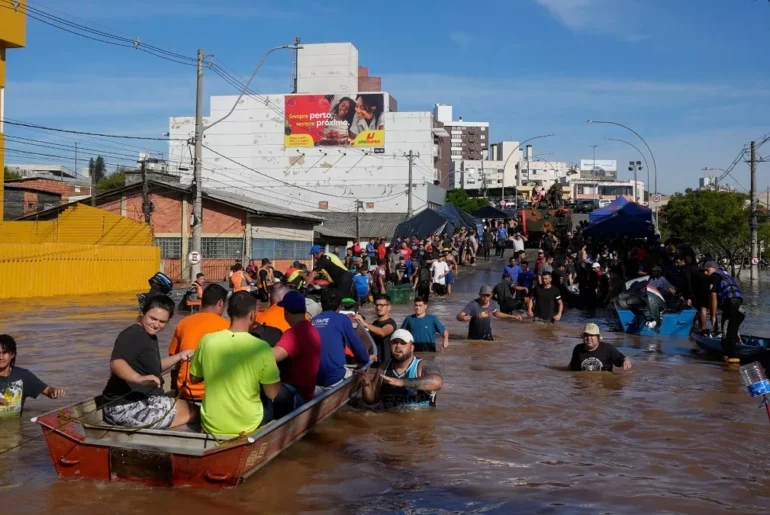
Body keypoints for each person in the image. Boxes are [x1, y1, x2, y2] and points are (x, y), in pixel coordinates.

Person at [189, 291, 280, 436]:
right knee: (271, 401)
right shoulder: (261, 347)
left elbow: (194, 379)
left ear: (228, 311)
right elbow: (272, 393)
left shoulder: (207, 341)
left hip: (211, 424)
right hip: (249, 425)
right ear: (252, 315)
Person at [102, 296, 198, 429]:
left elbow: (154, 368)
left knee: (194, 409)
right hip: (123, 408)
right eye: (153, 318)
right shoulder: (132, 334)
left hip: (143, 400)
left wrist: (179, 356)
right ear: (142, 312)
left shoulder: (150, 336)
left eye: (162, 321)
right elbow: (117, 362)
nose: (156, 324)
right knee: (196, 413)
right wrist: (139, 379)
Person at [168, 284, 230, 401]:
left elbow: (173, 355)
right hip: (213, 394)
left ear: (202, 301)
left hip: (185, 391)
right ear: (221, 303)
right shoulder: (227, 326)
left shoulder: (183, 322)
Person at [359, 329, 443, 408]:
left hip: (418, 421)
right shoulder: (383, 368)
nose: (398, 346)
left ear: (412, 348)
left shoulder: (422, 365)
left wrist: (401, 382)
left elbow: (437, 383)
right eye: (394, 342)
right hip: (391, 420)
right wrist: (367, 385)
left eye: (403, 343)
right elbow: (372, 400)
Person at [271, 291, 322, 419]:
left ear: (285, 313)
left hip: (296, 397)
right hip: (306, 393)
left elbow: (270, 357)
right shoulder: (311, 329)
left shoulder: (293, 334)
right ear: (305, 310)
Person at [312, 289, 371, 391]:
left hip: (313, 379)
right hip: (335, 378)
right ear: (339, 306)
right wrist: (367, 359)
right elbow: (356, 346)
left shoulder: (312, 320)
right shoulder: (342, 319)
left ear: (322, 305)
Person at [0, 334, 65, 418]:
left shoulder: (23, 376)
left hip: (15, 429)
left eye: (5, 352)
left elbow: (47, 390)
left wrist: (55, 391)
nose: (1, 357)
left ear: (12, 354)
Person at [705, 261, 744, 363]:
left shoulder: (714, 276)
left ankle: (732, 362)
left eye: (707, 270)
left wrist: (713, 316)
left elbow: (713, 296)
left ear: (714, 269)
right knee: (731, 329)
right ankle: (729, 356)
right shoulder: (725, 275)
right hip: (739, 307)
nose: (705, 273)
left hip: (732, 306)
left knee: (727, 338)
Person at [457, 285, 522, 340]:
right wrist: (463, 318)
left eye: (487, 295)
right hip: (474, 338)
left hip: (488, 337)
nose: (485, 297)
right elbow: (459, 316)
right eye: (483, 295)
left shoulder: (492, 304)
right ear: (479, 295)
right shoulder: (473, 305)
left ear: (490, 296)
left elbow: (496, 313)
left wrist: (513, 316)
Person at [356, 294, 397, 366]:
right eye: (377, 305)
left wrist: (365, 323)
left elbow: (382, 332)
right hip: (373, 362)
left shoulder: (391, 323)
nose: (378, 307)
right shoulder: (375, 323)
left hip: (386, 365)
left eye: (382, 305)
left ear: (389, 307)